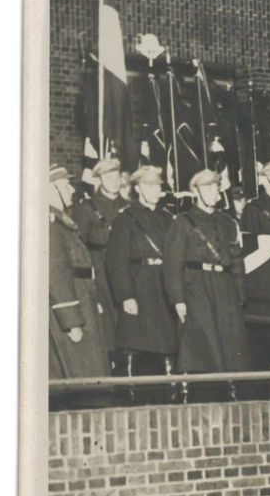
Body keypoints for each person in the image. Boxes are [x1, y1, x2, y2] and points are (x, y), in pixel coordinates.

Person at [163, 169, 250, 381]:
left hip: (225, 287)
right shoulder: (182, 222)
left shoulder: (228, 222)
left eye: (215, 187)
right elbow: (172, 265)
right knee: (202, 343)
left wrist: (240, 294)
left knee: (230, 342)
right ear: (195, 191)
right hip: (197, 288)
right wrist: (178, 300)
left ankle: (231, 386)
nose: (213, 192)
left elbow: (237, 260)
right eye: (207, 187)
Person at [105, 165, 178, 387]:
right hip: (139, 284)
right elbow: (116, 261)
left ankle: (170, 388)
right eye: (150, 186)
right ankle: (130, 389)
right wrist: (126, 295)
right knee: (135, 341)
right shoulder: (126, 218)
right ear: (138, 188)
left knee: (167, 339)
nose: (156, 190)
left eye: (158, 186)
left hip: (163, 283)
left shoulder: (168, 218)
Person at [48, 166, 110, 381]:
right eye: (65, 186)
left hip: (83, 298)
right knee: (80, 369)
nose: (71, 191)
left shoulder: (62, 221)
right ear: (50, 189)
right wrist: (71, 321)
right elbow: (56, 275)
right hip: (73, 307)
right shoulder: (50, 226)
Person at [74, 157, 128, 334]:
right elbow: (79, 246)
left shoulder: (130, 207)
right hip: (101, 271)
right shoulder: (88, 208)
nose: (113, 181)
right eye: (108, 177)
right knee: (107, 323)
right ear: (98, 179)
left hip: (127, 270)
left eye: (116, 177)